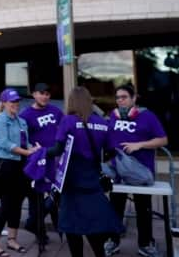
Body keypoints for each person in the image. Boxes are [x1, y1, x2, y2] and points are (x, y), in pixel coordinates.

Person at [45, 86, 122, 257]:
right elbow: (112, 151)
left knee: (73, 228)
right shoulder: (103, 123)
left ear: (72, 102)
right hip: (93, 181)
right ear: (89, 102)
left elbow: (57, 150)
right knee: (93, 227)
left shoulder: (68, 121)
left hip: (71, 181)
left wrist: (41, 152)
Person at [104, 84, 168, 257]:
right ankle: (113, 242)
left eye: (124, 97)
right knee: (115, 208)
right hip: (117, 173)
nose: (120, 101)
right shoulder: (113, 116)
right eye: (117, 98)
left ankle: (145, 244)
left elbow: (163, 140)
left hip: (140, 173)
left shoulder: (147, 116)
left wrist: (139, 145)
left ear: (134, 98)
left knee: (143, 209)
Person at [0, 88, 41, 256]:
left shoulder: (21, 121)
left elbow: (26, 142)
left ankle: (12, 239)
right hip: (6, 165)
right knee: (6, 205)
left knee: (17, 203)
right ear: (3, 103)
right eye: (12, 102)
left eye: (17, 101)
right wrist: (27, 152)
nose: (15, 104)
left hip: (21, 165)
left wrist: (34, 147)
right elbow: (4, 143)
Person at [20, 82, 64, 242]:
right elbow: (22, 139)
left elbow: (64, 129)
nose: (45, 96)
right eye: (41, 93)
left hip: (55, 160)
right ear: (34, 94)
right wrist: (32, 148)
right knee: (36, 196)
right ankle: (39, 231)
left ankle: (37, 223)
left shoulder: (56, 111)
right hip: (37, 161)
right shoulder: (26, 115)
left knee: (55, 194)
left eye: (47, 94)